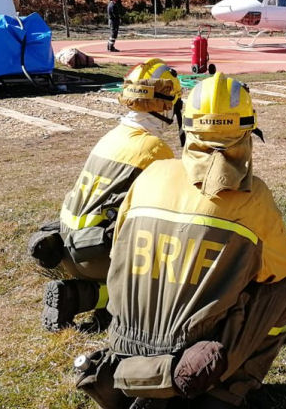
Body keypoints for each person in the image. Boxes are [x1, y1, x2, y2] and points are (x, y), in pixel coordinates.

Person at [75, 72, 286, 408]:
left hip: (125, 339)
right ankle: (228, 390)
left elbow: (121, 241)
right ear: (248, 131)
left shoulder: (153, 173)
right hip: (190, 354)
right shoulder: (253, 198)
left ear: (188, 125)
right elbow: (280, 270)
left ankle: (134, 375)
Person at [28, 58, 183, 332]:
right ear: (165, 103)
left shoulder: (113, 136)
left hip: (68, 243)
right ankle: (83, 297)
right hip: (95, 255)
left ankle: (86, 291)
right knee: (175, 262)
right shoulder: (154, 149)